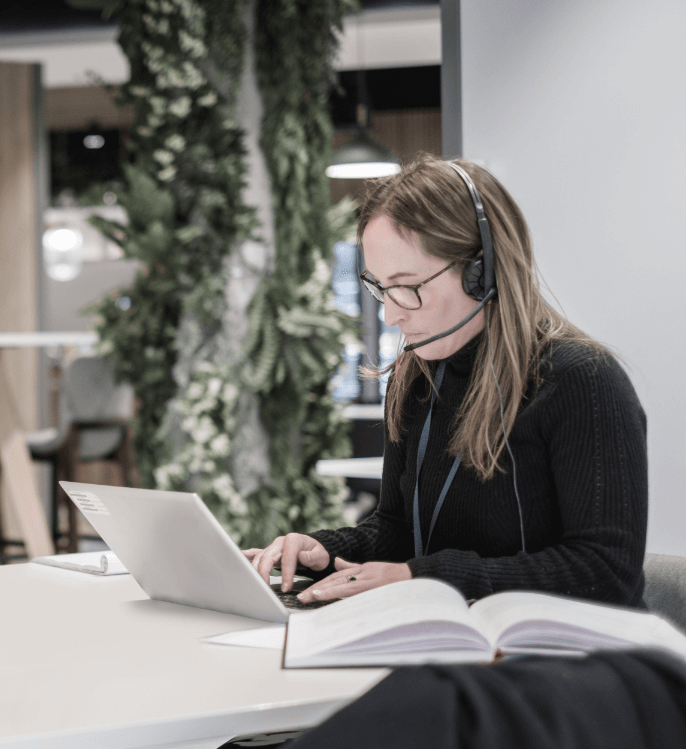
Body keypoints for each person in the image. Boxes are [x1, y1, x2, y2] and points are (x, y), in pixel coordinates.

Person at [246, 156, 647, 608]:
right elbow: (400, 532)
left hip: (560, 644)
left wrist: (424, 578)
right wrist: (325, 551)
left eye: (408, 286)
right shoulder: (416, 380)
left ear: (481, 272)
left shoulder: (582, 381)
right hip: (450, 633)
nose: (390, 314)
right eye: (381, 287)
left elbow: (605, 573)